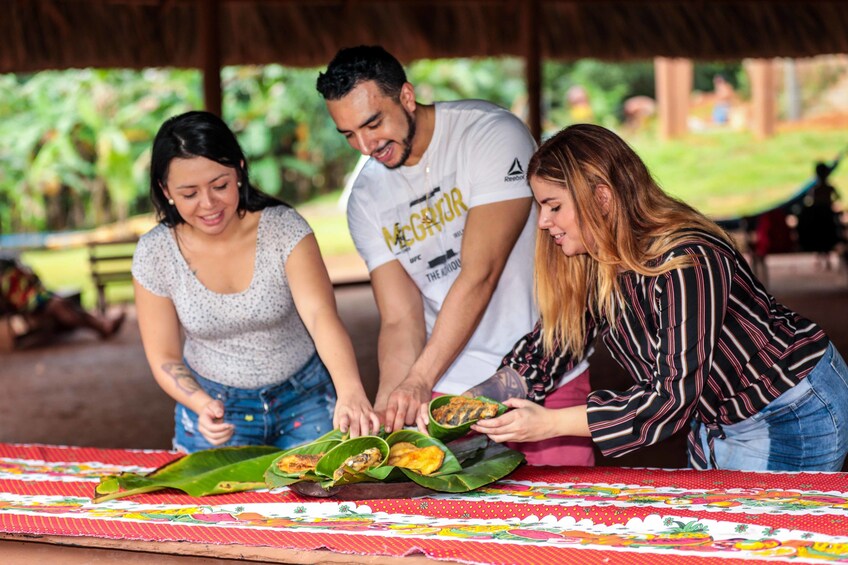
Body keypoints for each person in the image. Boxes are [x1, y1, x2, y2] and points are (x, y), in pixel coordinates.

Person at [469, 124, 848, 471]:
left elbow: (670, 400)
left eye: (554, 206)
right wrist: (475, 401)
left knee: (758, 539)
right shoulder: (602, 260)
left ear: (601, 197)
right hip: (716, 415)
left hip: (789, 408)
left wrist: (549, 423)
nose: (543, 222)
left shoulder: (685, 260)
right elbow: (555, 344)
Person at [316, 45, 592, 466]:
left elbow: (480, 273)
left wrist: (418, 380)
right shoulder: (366, 198)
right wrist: (394, 401)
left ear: (406, 97)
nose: (365, 145)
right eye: (349, 134)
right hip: (448, 383)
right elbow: (399, 316)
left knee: (566, 515)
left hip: (545, 368)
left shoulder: (489, 134)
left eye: (373, 123)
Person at [132, 111, 378, 453]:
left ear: (240, 169)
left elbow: (321, 316)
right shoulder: (155, 253)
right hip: (215, 407)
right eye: (189, 193)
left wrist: (350, 389)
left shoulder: (284, 230)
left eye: (219, 185)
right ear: (165, 190)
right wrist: (201, 404)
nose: (208, 204)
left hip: (303, 399)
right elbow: (164, 355)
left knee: (325, 497)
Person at [0, 257, 125, 348]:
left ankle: (103, 325)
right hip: (27, 306)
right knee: (59, 305)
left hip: (38, 298)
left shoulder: (7, 261)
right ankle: (103, 326)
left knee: (63, 303)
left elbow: (34, 278)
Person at [796, 161, 842, 269]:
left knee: (819, 234)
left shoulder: (815, 188)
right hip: (827, 215)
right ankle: (826, 257)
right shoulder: (829, 188)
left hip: (818, 216)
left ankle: (820, 256)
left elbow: (809, 200)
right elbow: (838, 198)